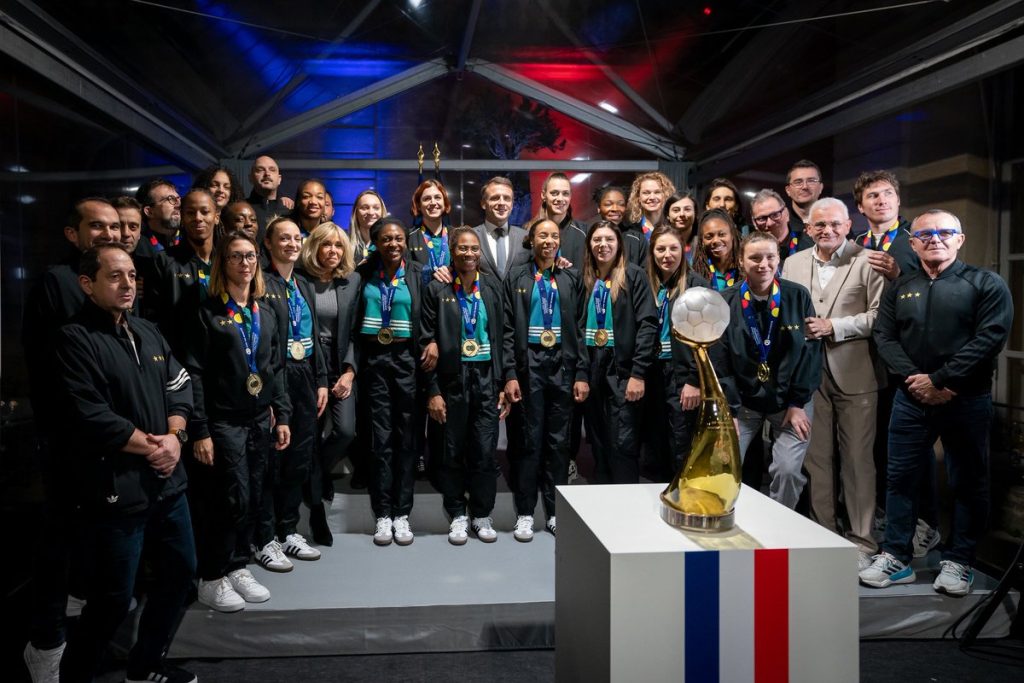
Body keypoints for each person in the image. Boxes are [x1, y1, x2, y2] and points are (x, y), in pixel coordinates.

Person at [55, 243, 197, 683]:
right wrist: (155, 447)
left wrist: (175, 438)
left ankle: (145, 664)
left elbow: (180, 385)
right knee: (114, 598)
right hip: (119, 489)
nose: (127, 284)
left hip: (169, 483)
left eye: (132, 275)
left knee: (180, 578)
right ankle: (75, 676)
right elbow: (89, 414)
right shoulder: (73, 339)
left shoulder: (148, 330)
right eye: (115, 276)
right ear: (87, 284)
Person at [861, 210, 1013, 596]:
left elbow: (990, 338)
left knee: (968, 481)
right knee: (900, 479)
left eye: (945, 232)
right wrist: (918, 382)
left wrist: (942, 380)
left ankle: (959, 560)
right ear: (912, 243)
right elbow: (885, 336)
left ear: (960, 239)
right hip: (911, 400)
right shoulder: (901, 286)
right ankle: (896, 556)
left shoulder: (985, 283)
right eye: (925, 234)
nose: (935, 239)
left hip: (966, 397)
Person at [21, 198, 122, 682]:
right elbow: (73, 369)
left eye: (114, 227)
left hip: (103, 436)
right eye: (96, 226)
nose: (107, 233)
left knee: (90, 545)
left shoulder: (113, 285)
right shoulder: (58, 284)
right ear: (72, 234)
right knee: (58, 544)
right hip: (69, 435)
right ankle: (44, 645)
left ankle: (78, 633)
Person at [183, 231, 291, 612]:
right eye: (235, 257)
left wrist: (282, 415)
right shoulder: (208, 312)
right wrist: (200, 430)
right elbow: (193, 374)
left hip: (260, 418)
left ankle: (238, 566)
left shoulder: (265, 310)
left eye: (250, 256)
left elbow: (274, 367)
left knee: (255, 495)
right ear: (222, 263)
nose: (244, 264)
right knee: (231, 498)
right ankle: (212, 576)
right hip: (223, 422)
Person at [782, 198, 887, 570]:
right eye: (819, 225)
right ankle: (823, 533)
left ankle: (862, 541)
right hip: (807, 377)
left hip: (855, 373)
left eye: (835, 224)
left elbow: (879, 317)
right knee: (816, 460)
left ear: (848, 224)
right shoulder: (791, 263)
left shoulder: (869, 259)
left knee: (858, 462)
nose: (827, 231)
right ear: (808, 228)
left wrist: (835, 327)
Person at [717, 231, 822, 509]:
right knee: (723, 465)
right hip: (743, 405)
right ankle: (728, 526)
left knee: (787, 470)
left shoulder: (797, 296)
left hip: (790, 402)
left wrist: (798, 403)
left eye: (770, 257)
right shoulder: (725, 301)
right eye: (754, 258)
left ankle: (780, 529)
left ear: (779, 259)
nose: (763, 264)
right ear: (741, 261)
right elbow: (721, 361)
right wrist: (730, 410)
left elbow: (810, 353)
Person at [420, 227, 508, 544]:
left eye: (474, 248)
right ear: (452, 251)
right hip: (451, 381)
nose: (469, 254)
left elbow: (504, 337)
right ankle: (458, 513)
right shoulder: (437, 289)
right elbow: (424, 342)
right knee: (451, 451)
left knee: (485, 451)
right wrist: (433, 391)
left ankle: (482, 514)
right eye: (462, 248)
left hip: (486, 379)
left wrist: (503, 380)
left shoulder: (493, 290)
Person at [503, 219, 589, 540]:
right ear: (531, 239)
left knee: (558, 442)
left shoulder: (570, 277)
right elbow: (507, 330)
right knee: (528, 440)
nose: (549, 240)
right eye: (543, 235)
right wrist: (510, 373)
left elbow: (580, 330)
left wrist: (581, 373)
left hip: (562, 368)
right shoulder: (516, 277)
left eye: (554, 235)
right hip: (530, 367)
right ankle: (525, 512)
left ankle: (555, 512)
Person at [261, 217, 330, 562]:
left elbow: (315, 336)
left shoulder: (302, 283)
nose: (291, 243)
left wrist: (321, 381)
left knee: (300, 457)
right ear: (269, 244)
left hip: (305, 375)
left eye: (295, 238)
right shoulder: (262, 282)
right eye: (283, 238)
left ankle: (289, 530)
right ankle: (267, 534)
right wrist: (273, 396)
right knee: (276, 458)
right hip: (279, 376)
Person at [356, 216, 427, 546]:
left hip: (407, 363)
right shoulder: (362, 274)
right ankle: (383, 514)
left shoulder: (418, 272)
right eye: (386, 239)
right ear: (376, 242)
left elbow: (428, 317)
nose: (394, 244)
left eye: (399, 238)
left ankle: (403, 513)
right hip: (374, 362)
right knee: (380, 440)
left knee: (407, 438)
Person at [579, 221, 658, 484]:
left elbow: (648, 325)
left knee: (622, 443)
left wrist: (638, 373)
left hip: (622, 370)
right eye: (597, 240)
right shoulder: (585, 278)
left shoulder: (634, 275)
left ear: (619, 244)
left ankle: (625, 509)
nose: (603, 245)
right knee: (598, 442)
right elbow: (577, 329)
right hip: (592, 368)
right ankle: (602, 506)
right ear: (589, 245)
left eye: (609, 240)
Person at [299, 223, 361, 530]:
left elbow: (357, 332)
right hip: (309, 364)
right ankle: (314, 496)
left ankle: (316, 474)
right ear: (314, 247)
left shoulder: (353, 281)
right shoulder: (299, 281)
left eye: (338, 246)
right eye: (326, 245)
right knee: (310, 435)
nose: (333, 251)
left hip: (341, 363)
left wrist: (349, 372)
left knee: (345, 431)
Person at [644, 225, 710, 481]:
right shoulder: (647, 283)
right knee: (654, 441)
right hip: (652, 371)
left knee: (681, 440)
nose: (666, 255)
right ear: (652, 252)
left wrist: (694, 380)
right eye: (660, 249)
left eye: (673, 248)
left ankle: (684, 497)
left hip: (681, 374)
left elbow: (705, 340)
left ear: (683, 251)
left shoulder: (696, 286)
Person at [161, 189, 217, 359]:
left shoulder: (227, 260)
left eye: (205, 212)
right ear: (182, 218)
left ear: (217, 216)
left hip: (223, 357)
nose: (198, 218)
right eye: (190, 213)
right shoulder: (164, 261)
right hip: (181, 357)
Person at [852, 170, 917, 281]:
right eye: (873, 195)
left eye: (888, 193)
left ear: (898, 200)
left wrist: (899, 275)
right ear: (860, 207)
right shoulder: (856, 242)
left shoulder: (917, 236)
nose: (882, 201)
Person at [473, 176, 530, 281]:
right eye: (495, 198)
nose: (501, 203)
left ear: (512, 205)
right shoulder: (471, 237)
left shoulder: (526, 237)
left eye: (507, 198)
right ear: (483, 204)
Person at [531, 172, 588, 268]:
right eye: (554, 193)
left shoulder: (584, 232)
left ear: (570, 197)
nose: (560, 198)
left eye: (565, 194)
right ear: (543, 195)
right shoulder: (529, 230)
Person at [749, 188, 813, 269]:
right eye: (761, 218)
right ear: (754, 222)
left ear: (786, 214)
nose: (769, 223)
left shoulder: (810, 247)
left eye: (775, 215)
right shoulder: (750, 253)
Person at [623, 171, 676, 266]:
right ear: (638, 197)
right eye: (646, 193)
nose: (652, 197)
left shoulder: (675, 229)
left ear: (666, 195)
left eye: (657, 192)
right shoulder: (630, 233)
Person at [407, 179, 453, 283]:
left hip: (453, 295)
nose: (433, 202)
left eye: (437, 197)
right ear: (418, 205)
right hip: (420, 297)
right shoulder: (408, 238)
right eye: (427, 199)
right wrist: (430, 272)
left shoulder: (457, 236)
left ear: (445, 203)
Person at [691, 209, 742, 291]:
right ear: (702, 241)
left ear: (732, 235)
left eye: (722, 234)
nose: (716, 240)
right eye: (709, 237)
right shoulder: (695, 272)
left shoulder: (745, 269)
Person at [247, 155, 294, 243]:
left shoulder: (290, 211)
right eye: (260, 170)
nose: (267, 173)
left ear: (279, 179)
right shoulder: (242, 209)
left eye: (272, 170)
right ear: (250, 178)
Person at [135, 179, 182, 252]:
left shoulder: (193, 240)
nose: (178, 205)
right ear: (149, 212)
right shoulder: (135, 247)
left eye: (178, 199)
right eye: (170, 199)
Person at [783, 160, 824, 235]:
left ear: (821, 187)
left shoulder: (836, 222)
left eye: (811, 181)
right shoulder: (780, 225)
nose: (805, 187)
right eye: (798, 182)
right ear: (788, 190)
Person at [349, 189, 388, 263]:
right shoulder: (345, 244)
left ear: (382, 211)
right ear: (355, 213)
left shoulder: (390, 244)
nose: (371, 212)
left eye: (376, 208)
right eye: (364, 208)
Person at [664, 191, 698, 264]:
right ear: (667, 215)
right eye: (676, 210)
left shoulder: (702, 244)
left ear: (695, 213)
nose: (682, 214)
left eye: (687, 209)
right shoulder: (659, 242)